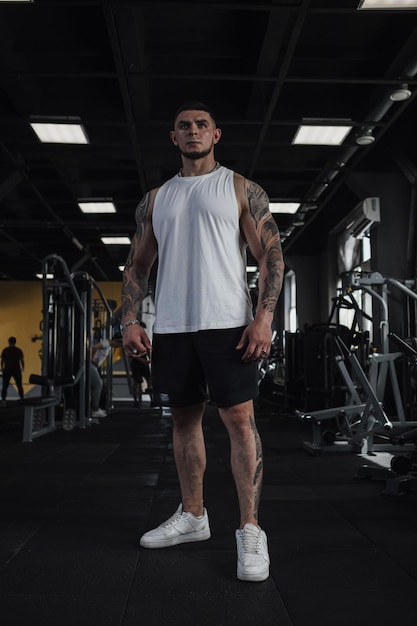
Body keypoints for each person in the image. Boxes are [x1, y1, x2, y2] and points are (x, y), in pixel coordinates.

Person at [121, 101, 284, 582]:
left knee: (239, 420)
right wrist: (130, 319)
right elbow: (137, 265)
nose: (192, 131)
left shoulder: (238, 188)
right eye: (183, 126)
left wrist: (264, 315)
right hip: (172, 325)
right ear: (173, 138)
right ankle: (194, 516)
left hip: (227, 323)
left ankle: (251, 529)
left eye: (201, 125)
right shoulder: (155, 199)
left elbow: (271, 254)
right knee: (183, 420)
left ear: (216, 134)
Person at [90, 333, 122, 418]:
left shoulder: (108, 346)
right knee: (98, 384)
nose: (118, 347)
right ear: (117, 341)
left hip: (94, 366)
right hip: (91, 365)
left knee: (99, 385)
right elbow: (94, 347)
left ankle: (96, 407)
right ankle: (95, 409)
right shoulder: (106, 343)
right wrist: (92, 359)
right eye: (119, 344)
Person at [1, 336, 25, 403]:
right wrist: (23, 368)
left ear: (9, 342)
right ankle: (22, 399)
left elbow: (2, 360)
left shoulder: (5, 350)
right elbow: (21, 360)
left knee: (5, 386)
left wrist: (2, 368)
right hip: (16, 369)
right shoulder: (18, 350)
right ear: (15, 342)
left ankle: (3, 400)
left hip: (7, 369)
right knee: (19, 385)